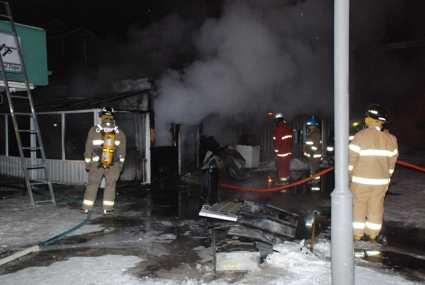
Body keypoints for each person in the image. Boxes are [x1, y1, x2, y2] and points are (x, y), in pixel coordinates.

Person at [349, 104, 398, 241]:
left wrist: (349, 176)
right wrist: (386, 176)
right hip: (381, 181)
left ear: (368, 119)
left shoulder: (359, 136)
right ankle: (373, 234)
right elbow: (392, 163)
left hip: (360, 180)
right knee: (376, 206)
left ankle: (357, 234)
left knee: (359, 205)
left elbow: (351, 160)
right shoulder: (391, 139)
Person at [81, 107, 126, 215]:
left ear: (101, 117)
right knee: (110, 185)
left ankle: (86, 207)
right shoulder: (120, 133)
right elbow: (122, 153)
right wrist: (120, 166)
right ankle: (108, 209)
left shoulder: (93, 130)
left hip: (96, 164)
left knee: (92, 184)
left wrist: (87, 164)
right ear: (113, 118)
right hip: (114, 164)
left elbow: (88, 149)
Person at [272, 113, 293, 184]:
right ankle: (286, 179)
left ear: (277, 120)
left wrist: (276, 152)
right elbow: (290, 140)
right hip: (288, 152)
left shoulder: (279, 128)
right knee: (286, 166)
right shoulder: (287, 127)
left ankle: (283, 182)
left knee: (281, 167)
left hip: (281, 152)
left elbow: (277, 142)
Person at [303, 116, 323, 191]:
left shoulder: (316, 134)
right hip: (312, 155)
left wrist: (310, 151)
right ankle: (314, 181)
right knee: (313, 170)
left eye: (310, 125)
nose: (308, 126)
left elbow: (316, 146)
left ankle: (315, 185)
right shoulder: (312, 133)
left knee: (315, 169)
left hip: (314, 155)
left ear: (314, 125)